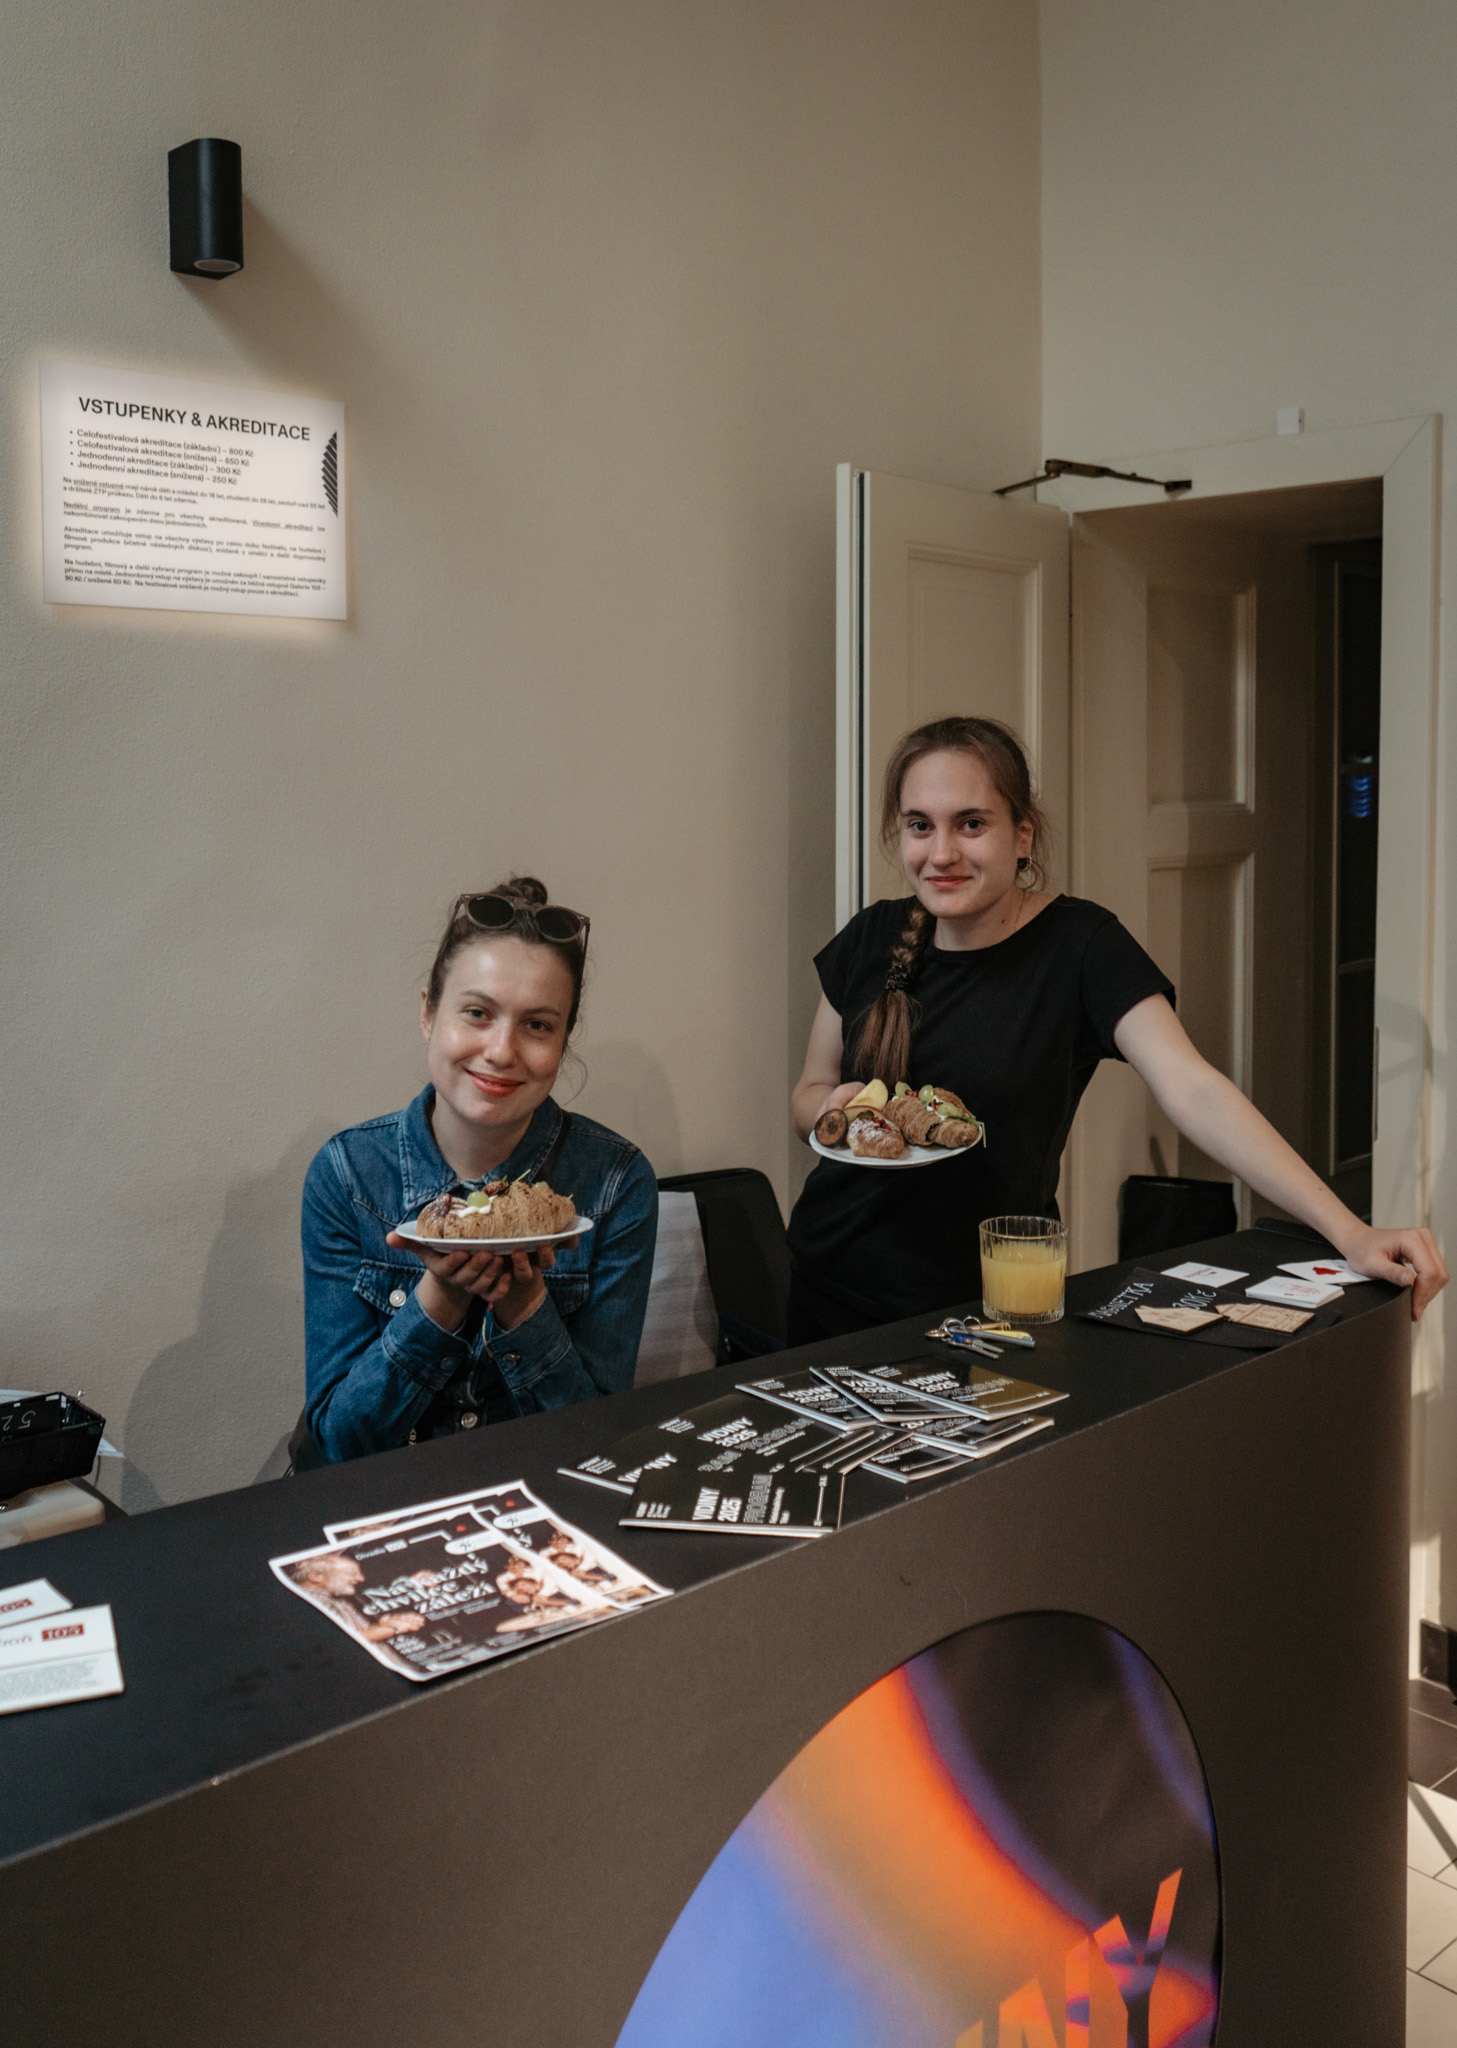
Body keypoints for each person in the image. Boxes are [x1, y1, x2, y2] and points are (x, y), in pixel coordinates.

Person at [787, 715, 1447, 1341]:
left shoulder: (1081, 946)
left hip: (991, 1300)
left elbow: (1194, 1090)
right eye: (919, 826)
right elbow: (809, 1092)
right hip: (831, 1286)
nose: (941, 852)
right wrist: (829, 1109)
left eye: (971, 823)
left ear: (1022, 835)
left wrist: (1348, 1230)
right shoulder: (870, 937)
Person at [301, 877, 658, 1462]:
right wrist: (440, 1297)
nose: (500, 1051)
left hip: (537, 1485)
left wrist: (525, 1304)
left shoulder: (615, 1183)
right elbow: (341, 1442)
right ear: (428, 1012)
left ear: (564, 1039)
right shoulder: (348, 1176)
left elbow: (597, 1442)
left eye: (537, 1025)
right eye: (477, 1013)